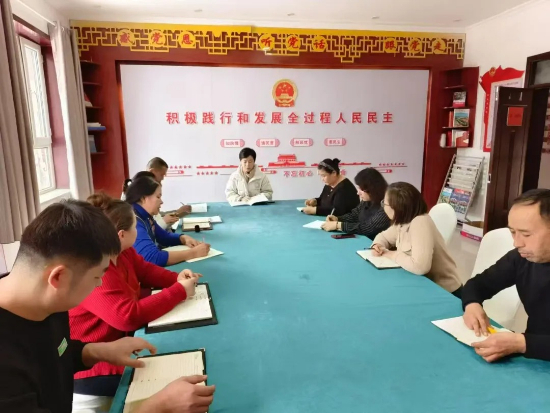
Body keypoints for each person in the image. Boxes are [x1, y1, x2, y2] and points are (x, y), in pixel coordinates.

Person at [0, 200, 215, 413]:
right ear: (59, 278)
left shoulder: (43, 300)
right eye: (97, 276)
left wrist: (97, 351)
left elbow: (57, 351)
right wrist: (158, 407)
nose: (100, 284)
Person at [69, 193, 201, 405]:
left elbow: (145, 270)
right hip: (94, 363)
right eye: (135, 227)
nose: (138, 231)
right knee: (171, 375)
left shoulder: (123, 251)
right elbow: (127, 316)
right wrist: (179, 291)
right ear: (121, 234)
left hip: (120, 343)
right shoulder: (96, 270)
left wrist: (176, 278)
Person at [462, 189, 550, 363]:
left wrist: (521, 343)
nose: (517, 243)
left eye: (526, 234)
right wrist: (472, 305)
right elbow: (477, 284)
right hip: (534, 358)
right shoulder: (521, 258)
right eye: (513, 232)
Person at [371, 182, 463, 297]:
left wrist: (390, 254)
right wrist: (377, 245)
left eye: (384, 203)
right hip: (421, 286)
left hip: (444, 292)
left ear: (396, 207)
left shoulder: (420, 222)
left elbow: (420, 267)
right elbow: (384, 237)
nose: (383, 207)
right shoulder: (403, 221)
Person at [125, 176, 210, 266]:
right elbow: (153, 258)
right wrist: (193, 253)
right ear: (143, 198)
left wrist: (183, 238)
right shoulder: (133, 221)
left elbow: (163, 236)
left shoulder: (145, 216)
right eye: (158, 197)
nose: (161, 202)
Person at [322, 168, 390, 239]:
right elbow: (355, 215)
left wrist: (338, 225)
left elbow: (368, 228)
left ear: (372, 189)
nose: (358, 193)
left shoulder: (386, 205)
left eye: (361, 189)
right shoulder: (367, 200)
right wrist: (338, 219)